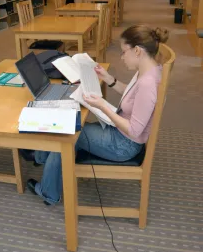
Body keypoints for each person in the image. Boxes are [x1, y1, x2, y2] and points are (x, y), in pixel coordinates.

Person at [20, 25, 169, 205]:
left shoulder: (148, 84)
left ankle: (48, 191)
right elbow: (131, 95)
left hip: (123, 145)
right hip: (120, 134)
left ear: (137, 50)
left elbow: (134, 130)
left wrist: (102, 106)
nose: (121, 57)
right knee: (75, 127)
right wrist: (108, 78)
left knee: (68, 134)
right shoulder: (150, 69)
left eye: (123, 52)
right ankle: (41, 157)